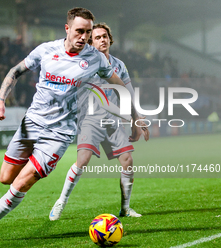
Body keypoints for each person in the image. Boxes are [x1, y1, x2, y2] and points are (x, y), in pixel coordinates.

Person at [0, 7, 142, 244]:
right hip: (32, 124)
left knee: (23, 181)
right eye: (80, 31)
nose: (84, 37)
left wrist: (136, 119)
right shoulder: (46, 50)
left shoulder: (95, 58)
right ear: (67, 29)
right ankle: (32, 168)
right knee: (6, 178)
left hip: (59, 134)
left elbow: (121, 88)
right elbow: (14, 72)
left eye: (88, 33)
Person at [49, 23, 149, 221]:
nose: (102, 40)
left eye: (104, 36)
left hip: (113, 119)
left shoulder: (119, 65)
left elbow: (127, 91)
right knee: (83, 160)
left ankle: (125, 208)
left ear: (109, 39)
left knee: (128, 160)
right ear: (90, 42)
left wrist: (135, 118)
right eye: (97, 37)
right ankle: (61, 201)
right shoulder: (83, 63)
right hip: (90, 119)